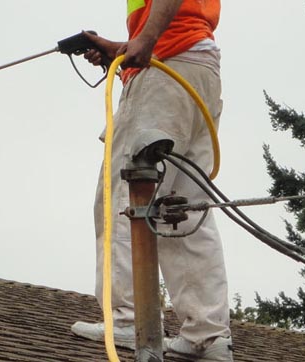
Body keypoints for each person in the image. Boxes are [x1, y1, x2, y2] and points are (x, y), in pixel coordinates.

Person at [70, 1, 232, 361]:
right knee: (183, 207)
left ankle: (128, 319)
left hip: (168, 65)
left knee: (127, 194)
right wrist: (129, 44)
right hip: (198, 65)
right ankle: (207, 336)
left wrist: (147, 38)